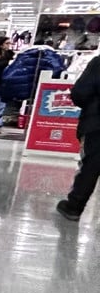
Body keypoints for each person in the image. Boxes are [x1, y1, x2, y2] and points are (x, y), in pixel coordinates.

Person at [57, 53, 100, 221]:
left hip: (96, 123)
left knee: (91, 167)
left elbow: (80, 93)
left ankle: (74, 207)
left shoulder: (98, 63)